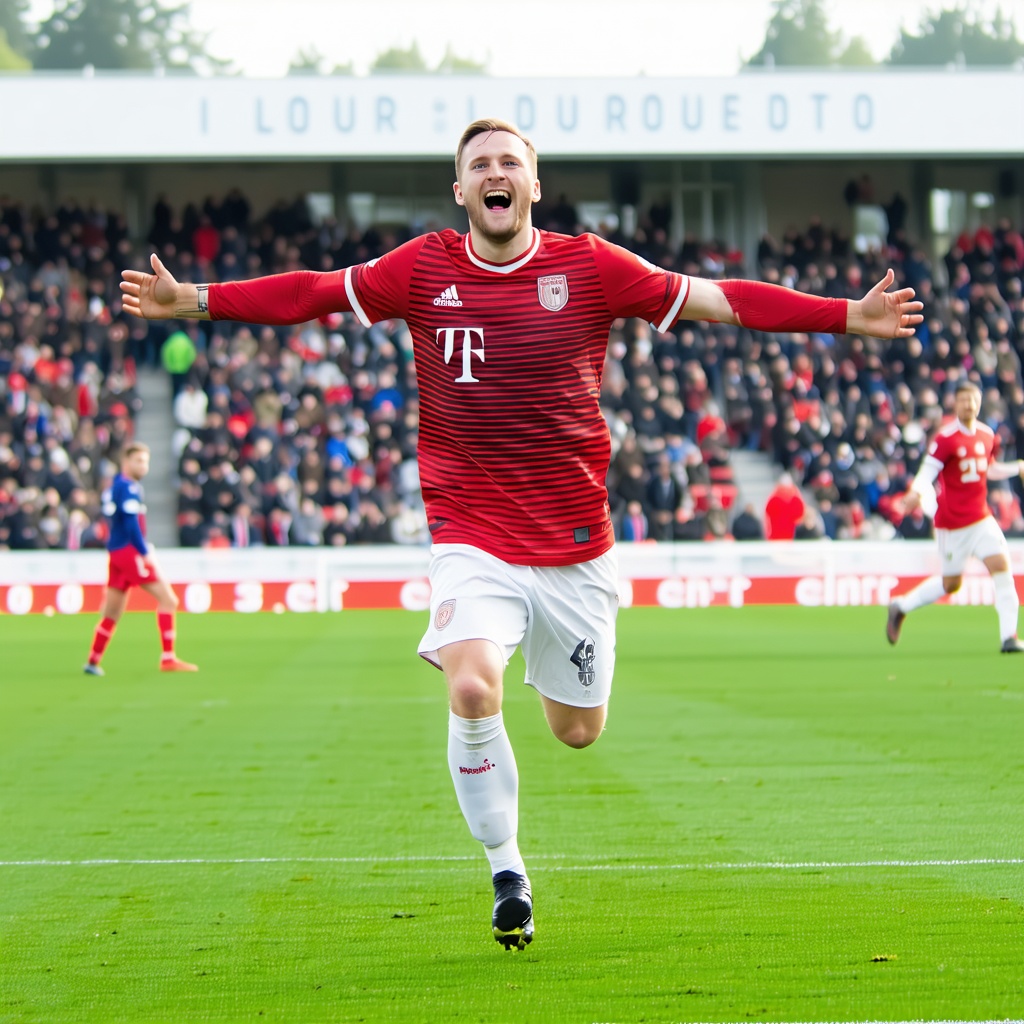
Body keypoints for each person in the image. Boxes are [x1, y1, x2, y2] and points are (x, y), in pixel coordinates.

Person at [118, 117, 923, 950]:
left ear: (535, 186)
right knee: (471, 689)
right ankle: (507, 869)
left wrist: (845, 317)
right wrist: (198, 301)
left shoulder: (590, 265)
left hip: (575, 545)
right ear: (460, 191)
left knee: (579, 731)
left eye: (511, 162)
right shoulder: (422, 267)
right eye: (479, 165)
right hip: (471, 533)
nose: (495, 173)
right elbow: (312, 293)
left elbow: (722, 301)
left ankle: (531, 776)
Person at [887, 380, 1024, 653]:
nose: (969, 404)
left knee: (1003, 571)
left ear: (980, 402)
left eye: (973, 399)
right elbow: (927, 474)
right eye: (963, 399)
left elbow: (989, 469)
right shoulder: (945, 439)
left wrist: (1015, 467)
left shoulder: (987, 435)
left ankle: (1008, 637)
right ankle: (900, 606)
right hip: (952, 524)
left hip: (982, 519)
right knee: (951, 583)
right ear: (955, 403)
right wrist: (915, 493)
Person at [84, 442, 198, 676]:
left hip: (115, 552)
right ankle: (168, 658)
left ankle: (93, 661)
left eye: (146, 461)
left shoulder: (115, 485)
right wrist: (144, 553)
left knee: (112, 612)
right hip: (129, 551)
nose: (144, 466)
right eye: (139, 461)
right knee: (169, 600)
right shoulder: (129, 487)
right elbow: (130, 522)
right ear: (126, 462)